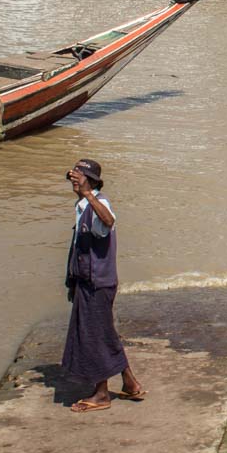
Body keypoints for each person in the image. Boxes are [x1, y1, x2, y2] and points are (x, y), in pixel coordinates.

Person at [62, 159, 143, 413]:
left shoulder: (99, 203)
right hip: (87, 280)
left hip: (97, 282)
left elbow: (108, 221)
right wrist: (72, 281)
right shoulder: (82, 205)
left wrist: (88, 194)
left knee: (93, 335)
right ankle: (130, 383)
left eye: (80, 176)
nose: (74, 179)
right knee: (104, 332)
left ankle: (101, 394)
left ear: (91, 181)